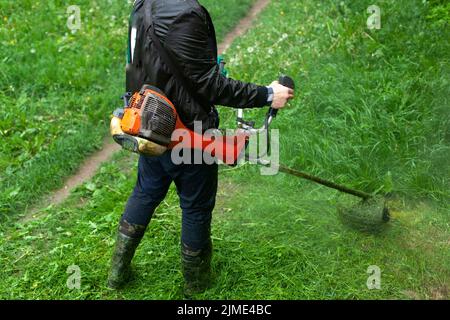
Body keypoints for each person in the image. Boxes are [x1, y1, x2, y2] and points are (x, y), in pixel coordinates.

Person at [107, 0, 294, 297]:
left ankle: (117, 273)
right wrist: (268, 95)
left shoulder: (143, 5)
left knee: (145, 191)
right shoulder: (185, 14)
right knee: (195, 206)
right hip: (189, 133)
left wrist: (139, 112)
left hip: (149, 126)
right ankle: (197, 286)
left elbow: (134, 67)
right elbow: (210, 86)